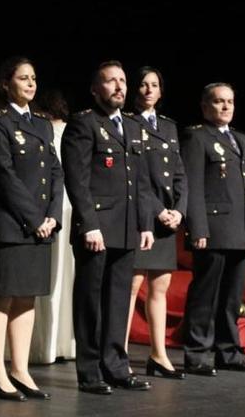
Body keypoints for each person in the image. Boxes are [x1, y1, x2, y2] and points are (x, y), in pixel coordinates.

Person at [61, 60, 154, 395]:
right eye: (110, 81)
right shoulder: (83, 124)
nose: (119, 87)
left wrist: (145, 223)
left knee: (117, 300)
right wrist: (89, 225)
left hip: (128, 226)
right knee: (90, 300)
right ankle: (89, 371)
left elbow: (141, 182)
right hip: (97, 229)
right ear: (94, 89)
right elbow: (78, 179)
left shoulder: (132, 126)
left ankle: (116, 365)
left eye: (123, 81)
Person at [0, 57, 63, 401]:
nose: (30, 84)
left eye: (33, 78)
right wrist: (34, 219)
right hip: (13, 224)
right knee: (2, 295)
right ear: (6, 84)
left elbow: (56, 172)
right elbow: (4, 175)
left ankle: (20, 369)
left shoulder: (43, 125)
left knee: (27, 297)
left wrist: (53, 216)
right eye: (23, 78)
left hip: (41, 225)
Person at [181, 82, 245, 376]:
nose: (226, 106)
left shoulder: (241, 139)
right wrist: (197, 228)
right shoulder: (197, 137)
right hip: (213, 230)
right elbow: (192, 185)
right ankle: (197, 353)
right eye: (219, 102)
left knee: (232, 297)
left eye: (230, 101)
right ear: (205, 106)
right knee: (206, 294)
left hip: (240, 231)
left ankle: (228, 351)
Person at [125, 67, 188, 379]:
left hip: (166, 221)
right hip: (140, 217)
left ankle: (158, 355)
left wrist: (179, 210)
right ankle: (117, 354)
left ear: (161, 91)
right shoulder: (126, 123)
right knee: (131, 285)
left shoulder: (169, 127)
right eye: (143, 84)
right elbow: (132, 177)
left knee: (159, 286)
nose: (148, 90)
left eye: (154, 85)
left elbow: (179, 173)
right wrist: (156, 210)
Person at [30, 89, 76, 364]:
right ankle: (66, 344)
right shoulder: (72, 131)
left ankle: (45, 345)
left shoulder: (40, 130)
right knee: (67, 276)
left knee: (47, 277)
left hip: (49, 206)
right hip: (71, 207)